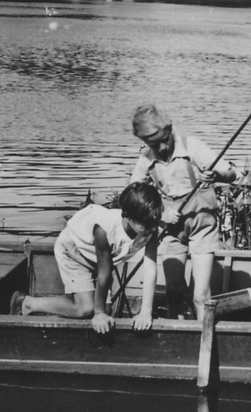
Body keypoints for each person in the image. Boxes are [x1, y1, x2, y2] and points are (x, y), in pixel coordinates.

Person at [129, 104, 238, 320]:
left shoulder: (191, 146)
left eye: (165, 139)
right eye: (153, 143)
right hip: (170, 228)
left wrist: (217, 177)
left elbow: (231, 173)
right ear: (144, 141)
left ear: (169, 129)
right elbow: (132, 196)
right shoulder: (146, 159)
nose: (161, 147)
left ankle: (203, 336)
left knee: (200, 295)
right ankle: (176, 337)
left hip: (201, 225)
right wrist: (159, 215)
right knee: (173, 292)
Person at [13, 182, 162, 333]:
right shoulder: (105, 229)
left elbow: (150, 269)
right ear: (127, 217)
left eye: (155, 222)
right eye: (146, 224)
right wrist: (99, 314)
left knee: (107, 308)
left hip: (96, 257)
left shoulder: (150, 228)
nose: (153, 228)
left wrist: (145, 313)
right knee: (87, 309)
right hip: (73, 250)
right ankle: (26, 303)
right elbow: (104, 273)